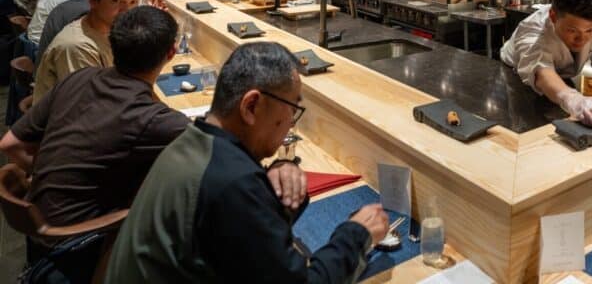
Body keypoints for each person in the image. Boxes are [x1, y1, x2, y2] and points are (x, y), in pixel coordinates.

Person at [0, 7, 310, 282]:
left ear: (111, 42)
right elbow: (218, 150)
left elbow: (10, 141)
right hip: (80, 246)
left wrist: (53, 170)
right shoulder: (155, 120)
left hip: (40, 228)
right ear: (172, 53)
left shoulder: (79, 78)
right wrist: (282, 167)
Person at [104, 42, 389, 283]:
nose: (291, 122)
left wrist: (278, 179)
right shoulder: (231, 184)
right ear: (251, 106)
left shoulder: (193, 141)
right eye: (292, 108)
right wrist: (357, 233)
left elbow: (240, 230)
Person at [500, 0, 592, 130]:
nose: (581, 39)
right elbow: (541, 71)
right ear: (553, 16)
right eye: (572, 30)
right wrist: (572, 99)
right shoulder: (532, 30)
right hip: (517, 78)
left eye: (589, 31)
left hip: (564, 79)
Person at [33, 0, 143, 100]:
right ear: (93, 1)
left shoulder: (111, 28)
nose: (126, 10)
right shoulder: (76, 46)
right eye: (116, 1)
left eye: (133, 2)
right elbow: (90, 107)